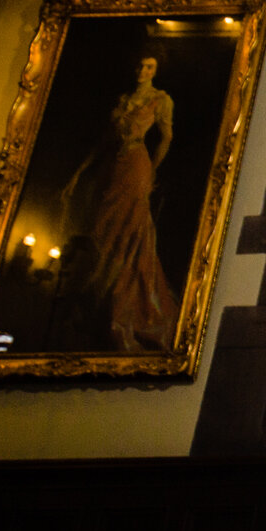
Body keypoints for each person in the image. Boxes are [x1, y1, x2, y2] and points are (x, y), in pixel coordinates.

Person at [59, 52, 181, 352]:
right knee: (101, 225)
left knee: (128, 225)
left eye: (149, 67)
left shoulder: (160, 99)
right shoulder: (123, 99)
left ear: (156, 71)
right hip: (112, 165)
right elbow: (104, 140)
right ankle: (96, 292)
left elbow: (166, 137)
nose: (142, 70)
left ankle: (121, 298)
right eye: (140, 65)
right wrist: (78, 173)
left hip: (137, 164)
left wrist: (152, 170)